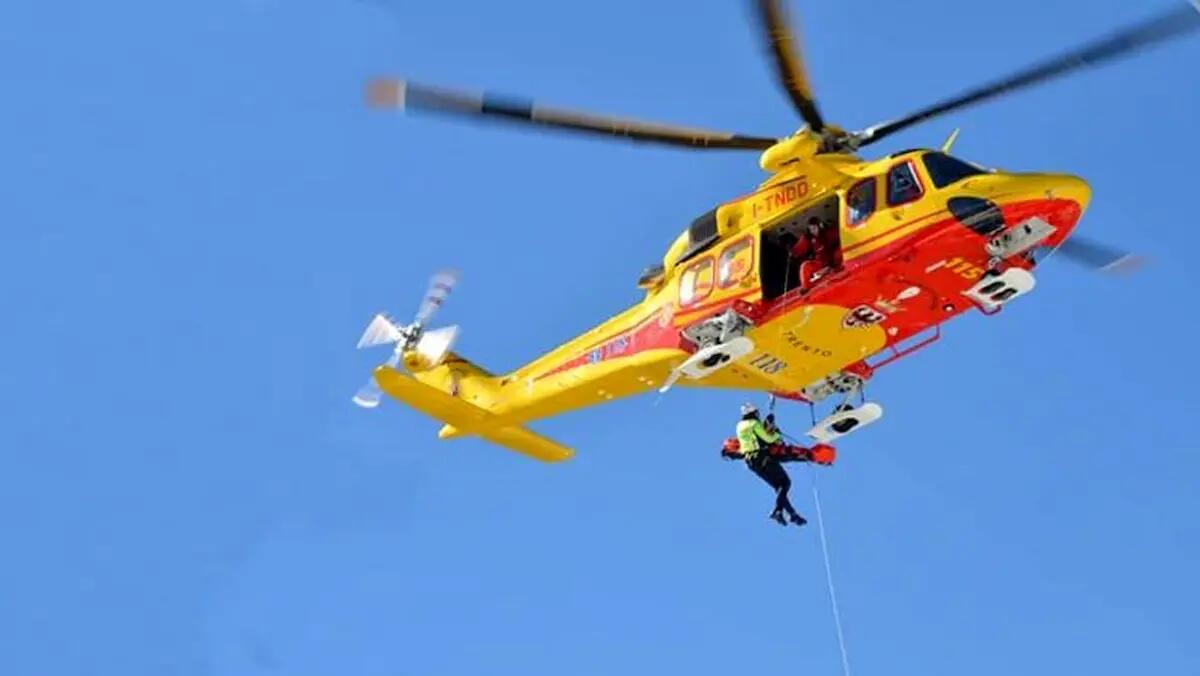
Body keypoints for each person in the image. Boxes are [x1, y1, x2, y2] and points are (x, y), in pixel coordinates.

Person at [734, 403, 807, 527]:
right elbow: (768, 439)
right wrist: (777, 434)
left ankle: (792, 514)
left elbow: (753, 439)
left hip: (751, 462)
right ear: (753, 413)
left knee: (779, 487)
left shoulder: (739, 426)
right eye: (757, 412)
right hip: (761, 457)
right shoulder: (754, 423)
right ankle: (778, 511)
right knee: (785, 483)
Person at [789, 216, 841, 291]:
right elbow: (799, 247)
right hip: (820, 262)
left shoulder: (829, 232)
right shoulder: (809, 238)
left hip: (832, 259)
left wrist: (831, 264)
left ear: (820, 226)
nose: (813, 231)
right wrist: (793, 252)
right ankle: (805, 287)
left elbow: (840, 234)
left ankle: (840, 268)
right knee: (805, 266)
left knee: (839, 253)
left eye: (814, 228)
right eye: (811, 229)